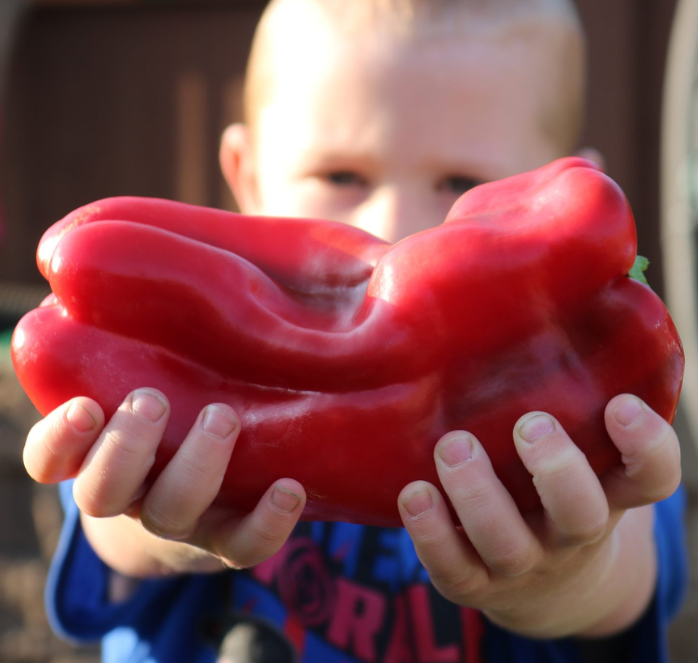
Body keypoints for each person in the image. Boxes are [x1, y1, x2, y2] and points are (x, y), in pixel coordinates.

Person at [23, 0, 687, 661]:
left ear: (551, 198)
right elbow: (109, 546)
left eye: (461, 181)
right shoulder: (162, 357)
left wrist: (568, 578)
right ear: (245, 175)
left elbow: (625, 573)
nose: (394, 220)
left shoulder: (585, 401)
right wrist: (159, 533)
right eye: (341, 175)